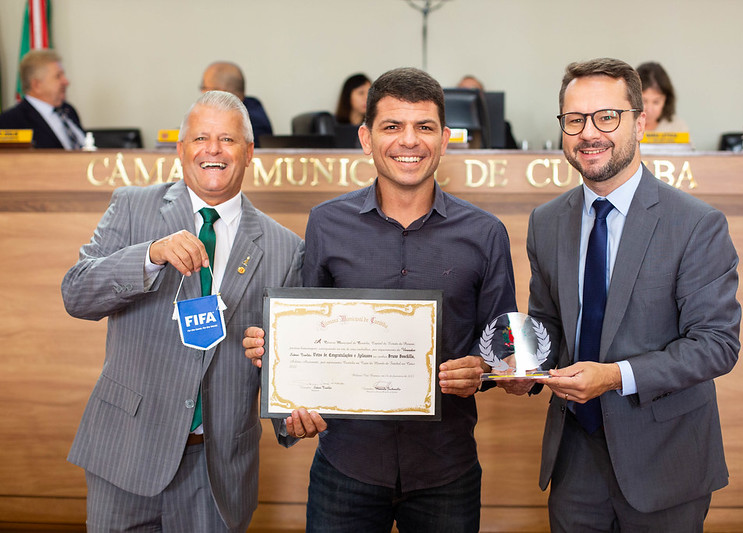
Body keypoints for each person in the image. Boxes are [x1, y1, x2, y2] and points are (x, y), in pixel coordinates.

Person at [243, 67, 516, 532]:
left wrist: (484, 368)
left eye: (424, 127)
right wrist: (278, 363)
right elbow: (305, 334)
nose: (409, 141)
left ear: (445, 139)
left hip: (445, 470)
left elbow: (501, 348)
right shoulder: (327, 223)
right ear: (366, 138)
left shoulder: (486, 233)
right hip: (346, 465)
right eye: (392, 126)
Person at [508, 57, 741, 531]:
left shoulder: (696, 223)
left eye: (606, 117)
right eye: (574, 120)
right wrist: (524, 370)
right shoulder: (547, 221)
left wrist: (615, 376)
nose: (589, 133)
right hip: (574, 459)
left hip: (666, 459)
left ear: (639, 122)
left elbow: (717, 344)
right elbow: (547, 321)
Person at [61, 91, 304, 532]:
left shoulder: (285, 248)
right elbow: (77, 293)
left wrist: (294, 417)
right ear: (181, 149)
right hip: (126, 451)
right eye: (200, 138)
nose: (213, 150)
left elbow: (281, 361)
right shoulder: (133, 207)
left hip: (216, 469)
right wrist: (149, 255)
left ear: (249, 152)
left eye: (227, 139)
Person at [0, 49, 85, 149]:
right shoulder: (10, 121)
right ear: (37, 85)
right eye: (58, 76)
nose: (66, 81)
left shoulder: (69, 110)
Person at [201, 61, 273, 147]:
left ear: (220, 92)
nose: (202, 93)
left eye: (204, 88)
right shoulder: (252, 107)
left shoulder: (249, 123)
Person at [456, 74, 518, 149]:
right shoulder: (446, 127)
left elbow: (514, 154)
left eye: (473, 91)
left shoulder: (502, 127)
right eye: (463, 91)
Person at [636, 61, 689, 132]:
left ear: (666, 100)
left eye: (656, 102)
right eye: (643, 101)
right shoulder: (625, 125)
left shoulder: (677, 127)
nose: (649, 109)